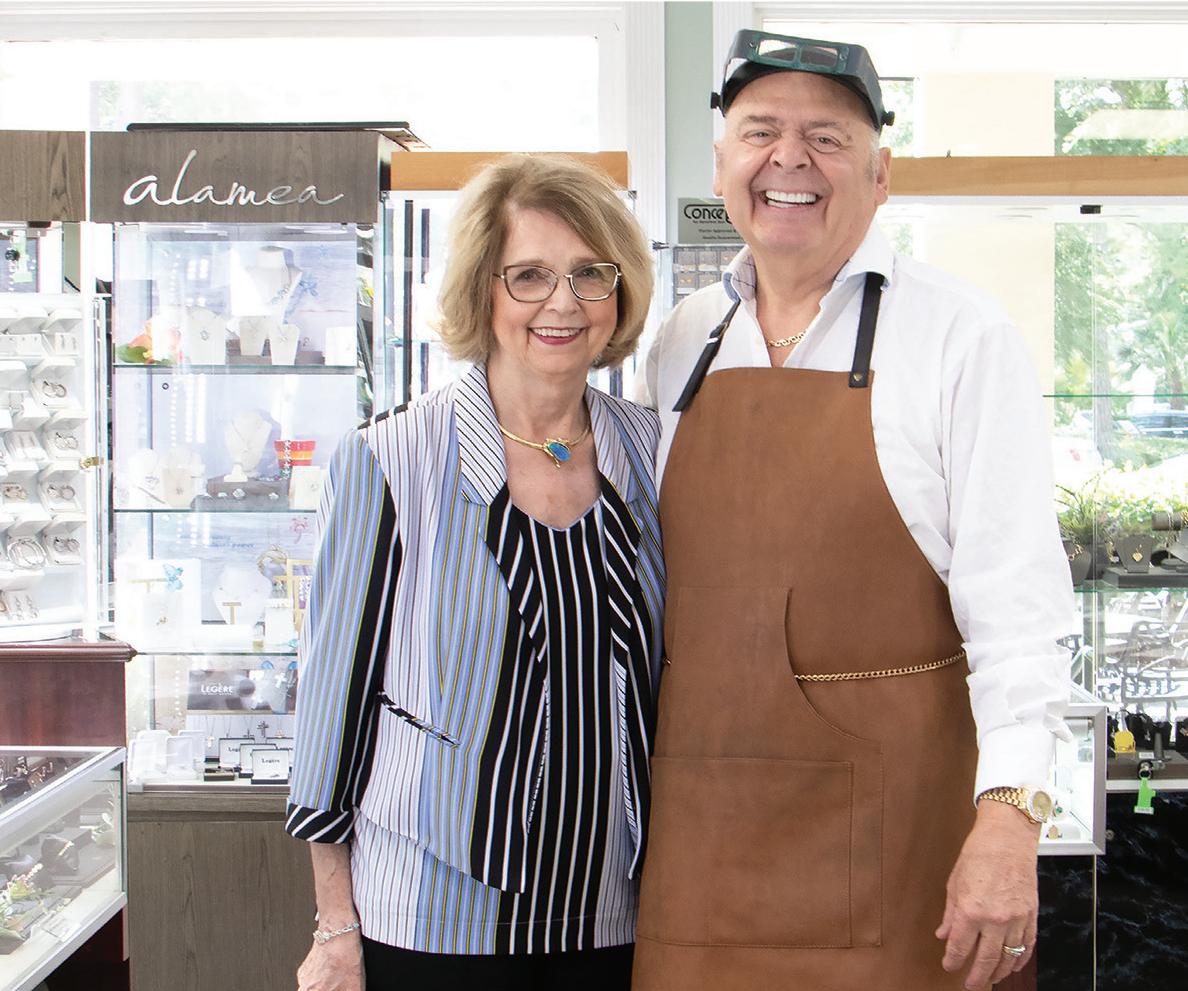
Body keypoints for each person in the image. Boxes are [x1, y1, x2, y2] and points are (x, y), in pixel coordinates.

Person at [633, 29, 1073, 991]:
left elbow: (1020, 613)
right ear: (722, 163)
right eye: (761, 131)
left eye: (826, 138)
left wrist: (1010, 819)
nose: (788, 159)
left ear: (881, 175)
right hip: (699, 842)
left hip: (899, 844)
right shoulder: (682, 339)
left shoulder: (960, 334)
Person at [287, 154, 664, 991]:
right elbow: (330, 714)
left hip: (613, 916)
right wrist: (336, 927)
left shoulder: (651, 452)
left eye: (590, 274)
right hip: (431, 921)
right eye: (528, 275)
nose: (563, 303)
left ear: (620, 291)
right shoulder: (391, 459)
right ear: (480, 291)